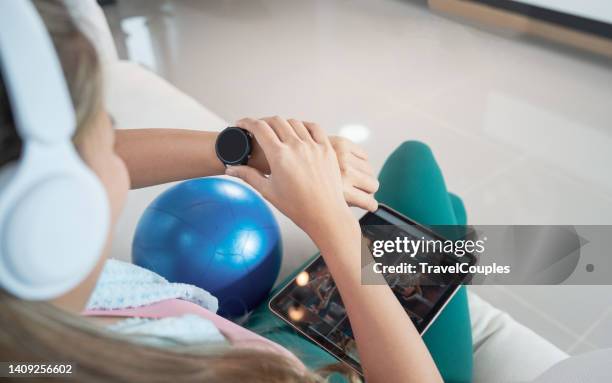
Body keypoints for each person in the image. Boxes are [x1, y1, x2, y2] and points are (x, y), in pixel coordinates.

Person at [0, 1, 443, 382]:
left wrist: (247, 151)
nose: (118, 151)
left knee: (418, 221)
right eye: (106, 133)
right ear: (44, 206)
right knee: (418, 172)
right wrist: (333, 225)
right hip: (290, 354)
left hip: (231, 322)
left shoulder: (32, 330)